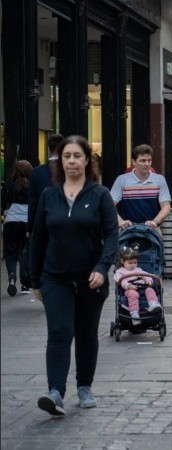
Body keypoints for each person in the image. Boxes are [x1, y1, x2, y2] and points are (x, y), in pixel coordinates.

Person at [29, 135, 119, 416]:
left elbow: (112, 235)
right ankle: (55, 392)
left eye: (76, 156)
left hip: (91, 279)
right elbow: (39, 240)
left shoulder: (100, 195)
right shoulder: (49, 195)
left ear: (87, 160)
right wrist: (35, 280)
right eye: (65, 156)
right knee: (59, 331)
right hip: (55, 278)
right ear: (59, 161)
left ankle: (84, 386)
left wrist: (102, 268)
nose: (71, 161)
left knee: (86, 333)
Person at [110, 144, 171, 230]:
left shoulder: (159, 180)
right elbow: (109, 205)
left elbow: (166, 207)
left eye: (149, 160)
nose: (147, 164)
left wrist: (155, 222)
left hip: (152, 230)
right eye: (142, 161)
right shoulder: (122, 180)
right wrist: (120, 222)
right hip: (128, 230)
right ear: (133, 162)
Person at [2, 159, 33, 295]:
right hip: (27, 220)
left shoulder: (9, 184)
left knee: (10, 252)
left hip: (12, 220)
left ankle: (12, 276)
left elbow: (3, 202)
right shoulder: (32, 184)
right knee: (25, 251)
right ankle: (25, 284)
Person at [113, 248, 162, 325]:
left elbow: (145, 275)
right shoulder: (120, 271)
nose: (133, 265)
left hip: (142, 287)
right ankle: (134, 314)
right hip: (129, 290)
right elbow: (120, 280)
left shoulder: (138, 269)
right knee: (133, 294)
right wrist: (128, 286)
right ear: (123, 261)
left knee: (150, 290)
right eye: (130, 263)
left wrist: (148, 280)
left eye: (135, 262)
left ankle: (153, 304)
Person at [27, 133, 64, 234]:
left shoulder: (37, 172)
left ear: (49, 149)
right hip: (65, 224)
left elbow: (33, 203)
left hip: (43, 224)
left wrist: (30, 227)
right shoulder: (70, 171)